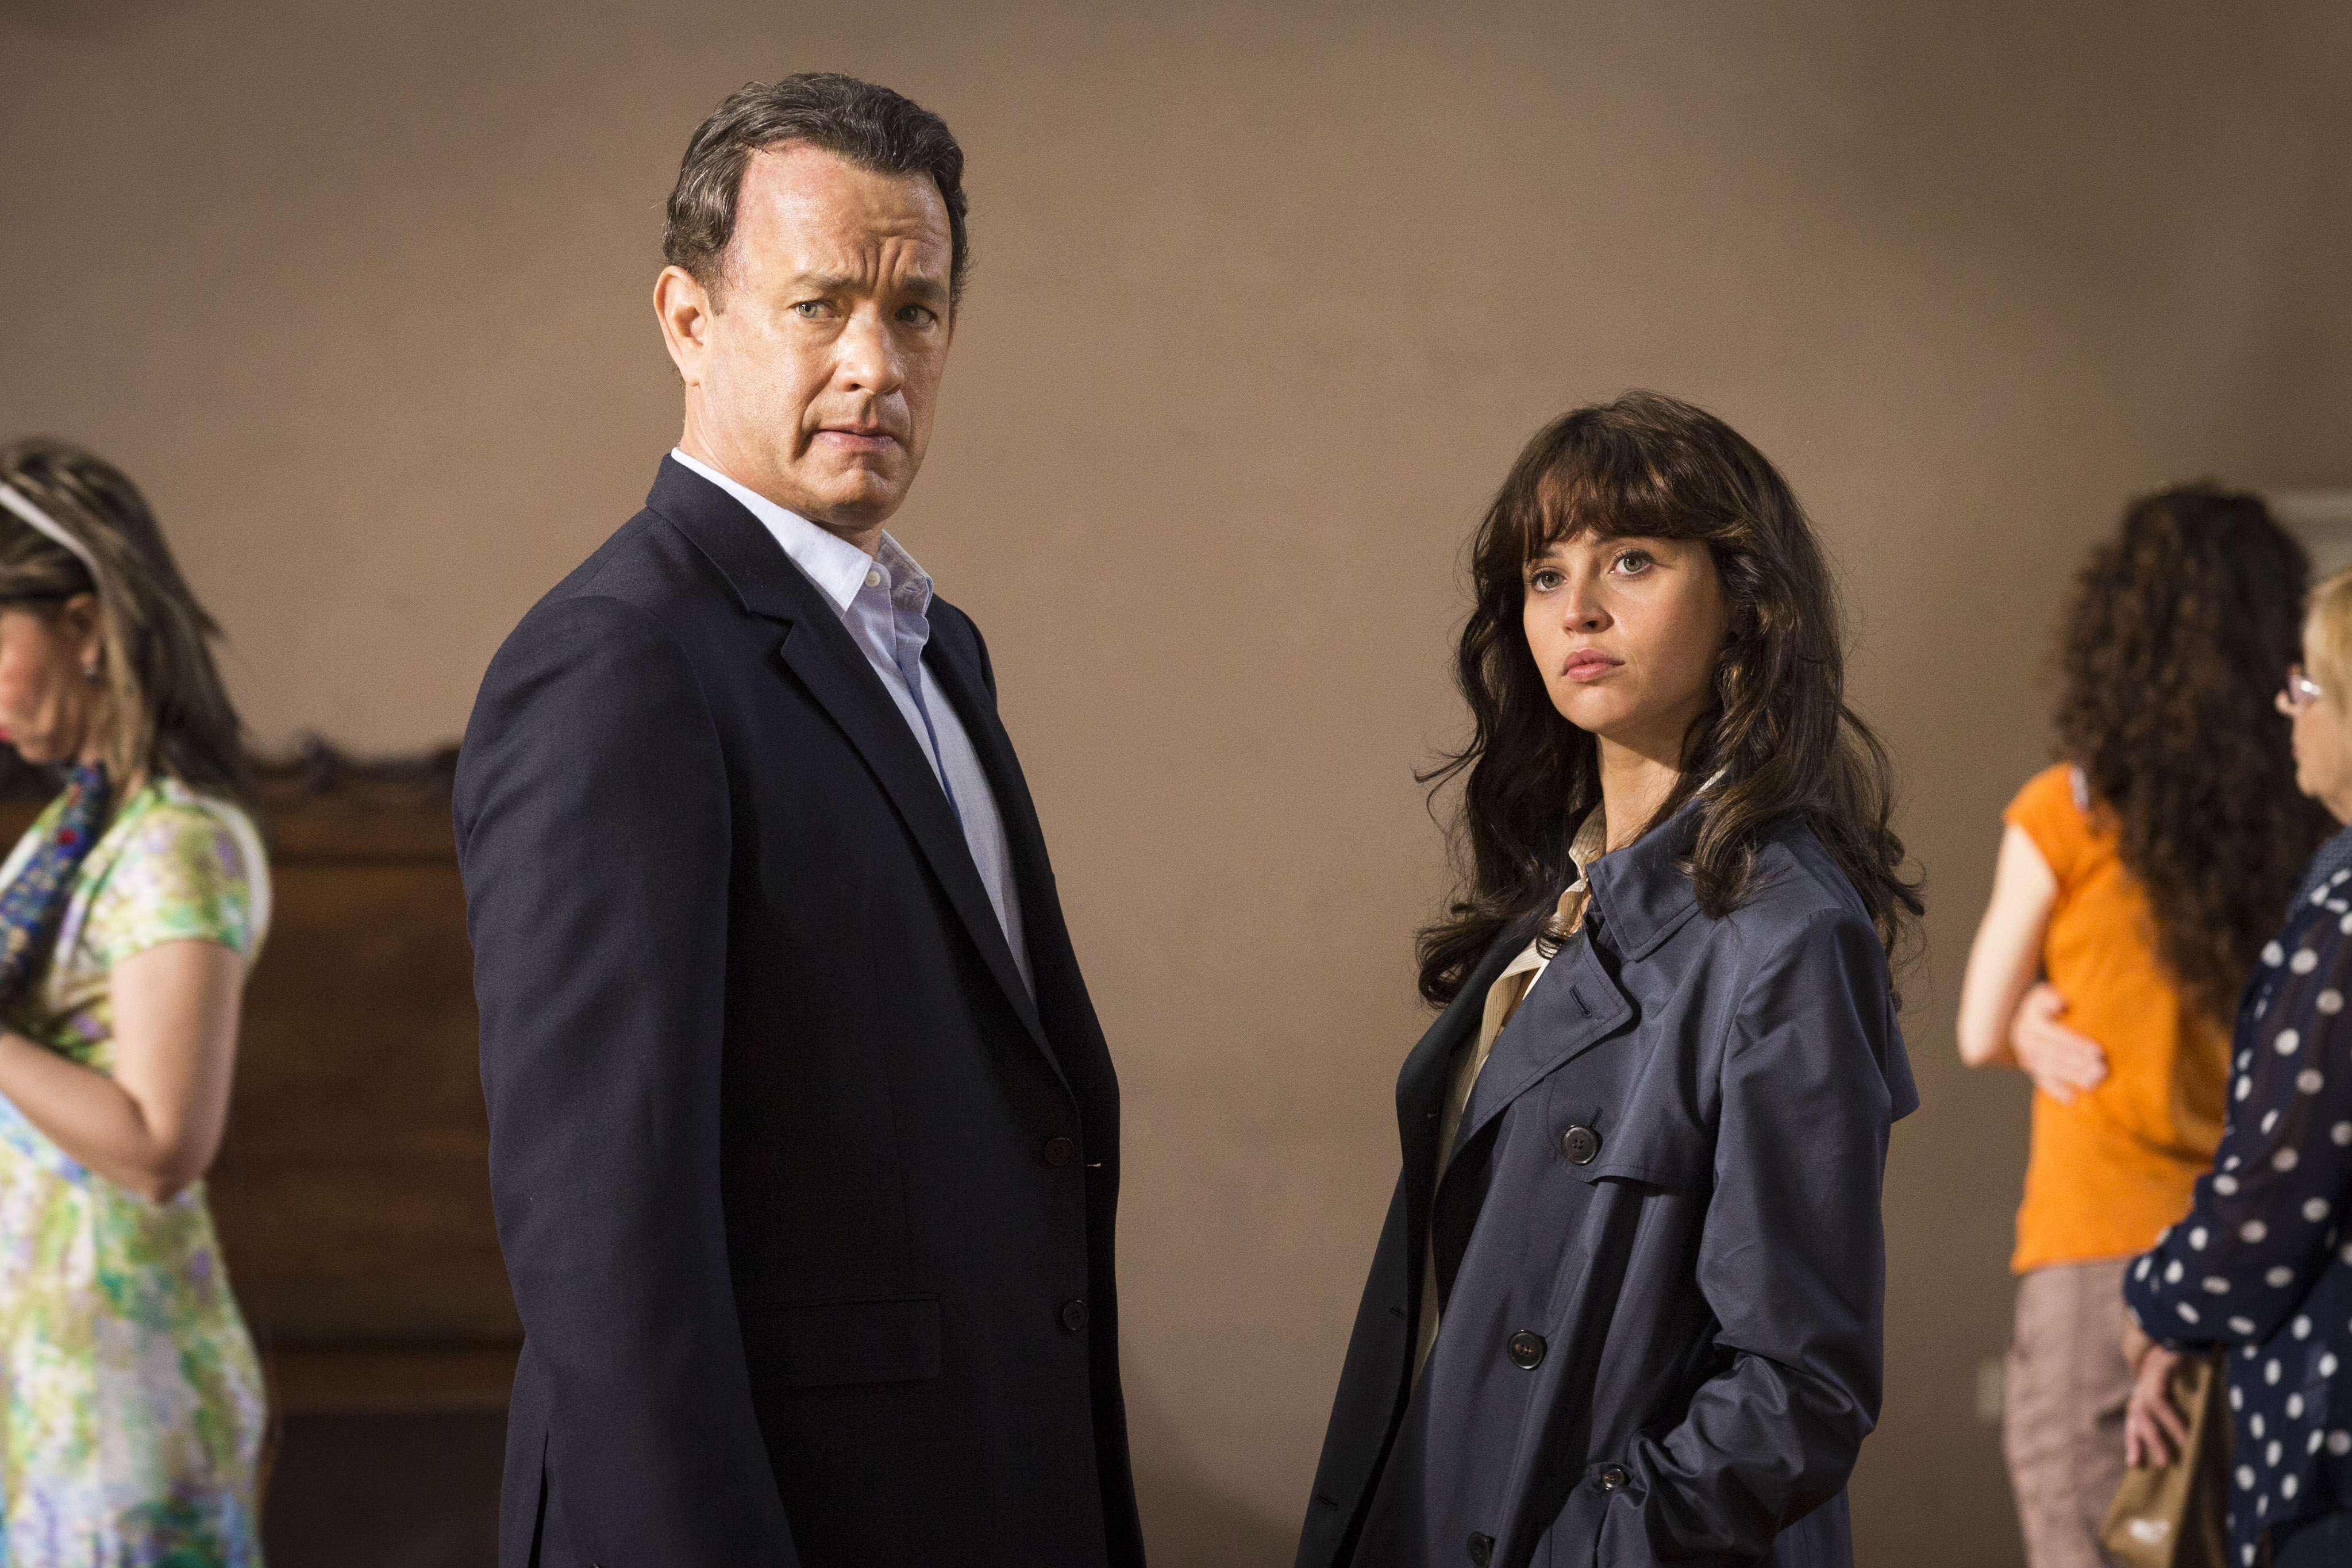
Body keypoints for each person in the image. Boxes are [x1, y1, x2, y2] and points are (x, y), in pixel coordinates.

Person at [455, 74, 1142, 1567]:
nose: (873, 364)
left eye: (916, 312)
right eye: (819, 305)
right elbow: (605, 1246)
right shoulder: (617, 667)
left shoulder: (936, 648)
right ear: (687, 320)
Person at [1296, 392, 1920, 1568]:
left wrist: (1590, 1550)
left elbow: (1797, 1386)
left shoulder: (1785, 934)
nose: (1577, 607)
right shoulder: (1563, 894)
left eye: (1631, 559)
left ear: (1745, 599)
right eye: (1545, 574)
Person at [1954, 487, 2326, 1568]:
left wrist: (2027, 1018)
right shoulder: (2312, 830)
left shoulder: (2068, 810)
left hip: (2099, 1249)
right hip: (2261, 1253)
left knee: (2089, 1535)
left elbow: (1976, 1026)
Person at [0, 440, 271, 1562]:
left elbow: (163, 1145)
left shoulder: (175, 843)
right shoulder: (73, 829)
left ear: (85, 625)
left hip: (122, 1408)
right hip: (50, 1381)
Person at [2120, 563, 2352, 1568]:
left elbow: (2273, 1190)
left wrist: (2156, 1305)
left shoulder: (2345, 919)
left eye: (2305, 683)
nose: (2284, 705)